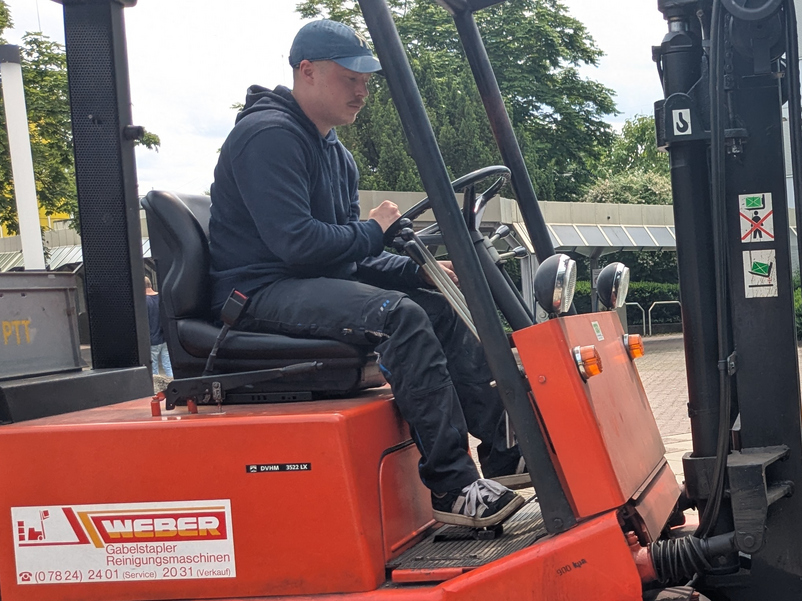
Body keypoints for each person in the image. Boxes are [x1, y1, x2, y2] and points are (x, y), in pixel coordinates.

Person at [208, 19, 524, 528]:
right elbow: (298, 245)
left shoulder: (335, 153)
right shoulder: (267, 137)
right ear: (307, 71)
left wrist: (418, 271)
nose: (362, 91)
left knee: (437, 307)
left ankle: (505, 454)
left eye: (366, 81)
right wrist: (374, 230)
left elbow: (346, 259)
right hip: (259, 292)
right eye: (350, 78)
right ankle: (453, 487)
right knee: (399, 317)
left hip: (305, 281)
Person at [144, 275, 172, 380]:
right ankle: (172, 383)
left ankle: (156, 387)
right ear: (150, 284)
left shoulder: (144, 301)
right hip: (165, 338)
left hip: (152, 339)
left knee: (154, 369)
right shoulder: (161, 298)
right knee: (168, 365)